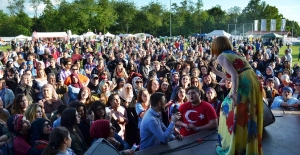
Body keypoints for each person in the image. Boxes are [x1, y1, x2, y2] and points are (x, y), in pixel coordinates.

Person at [210, 36, 263, 155]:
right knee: (246, 112)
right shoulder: (235, 53)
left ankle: (232, 145)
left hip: (244, 84)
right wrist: (217, 73)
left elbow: (234, 75)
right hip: (252, 81)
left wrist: (234, 94)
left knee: (227, 109)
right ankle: (243, 144)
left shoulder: (221, 57)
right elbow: (234, 74)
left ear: (216, 46)